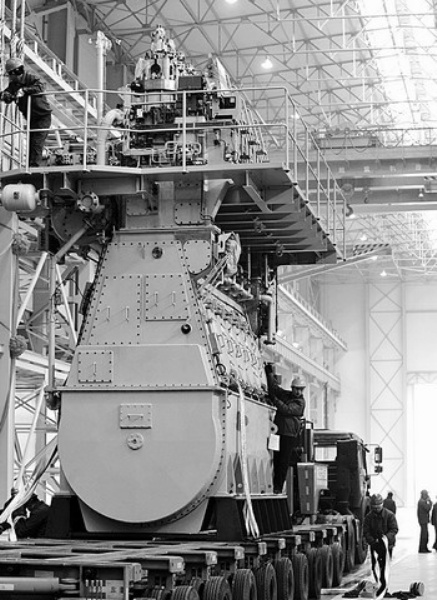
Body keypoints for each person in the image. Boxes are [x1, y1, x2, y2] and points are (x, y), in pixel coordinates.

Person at [0, 57, 52, 166]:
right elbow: (8, 94)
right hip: (31, 118)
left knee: (36, 143)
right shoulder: (14, 85)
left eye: (10, 74)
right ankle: (30, 166)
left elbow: (41, 87)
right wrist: (5, 95)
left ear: (15, 72)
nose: (9, 77)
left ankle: (34, 168)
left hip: (42, 117)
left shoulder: (30, 78)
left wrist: (24, 90)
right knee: (31, 144)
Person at [264, 363, 306, 494]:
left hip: (289, 436)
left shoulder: (300, 403)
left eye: (300, 389)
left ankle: (278, 487)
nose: (298, 392)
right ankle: (272, 485)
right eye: (296, 389)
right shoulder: (287, 395)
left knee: (283, 462)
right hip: (278, 433)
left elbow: (286, 409)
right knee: (275, 459)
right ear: (292, 388)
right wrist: (269, 374)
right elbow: (275, 389)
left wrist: (274, 400)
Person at [363, 494, 398, 598]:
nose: (376, 509)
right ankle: (379, 586)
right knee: (375, 567)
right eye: (374, 507)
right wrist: (372, 541)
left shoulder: (389, 515)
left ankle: (384, 588)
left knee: (384, 568)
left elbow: (394, 529)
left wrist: (385, 539)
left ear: (382, 505)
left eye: (378, 507)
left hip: (387, 546)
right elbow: (366, 531)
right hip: (375, 545)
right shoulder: (369, 517)